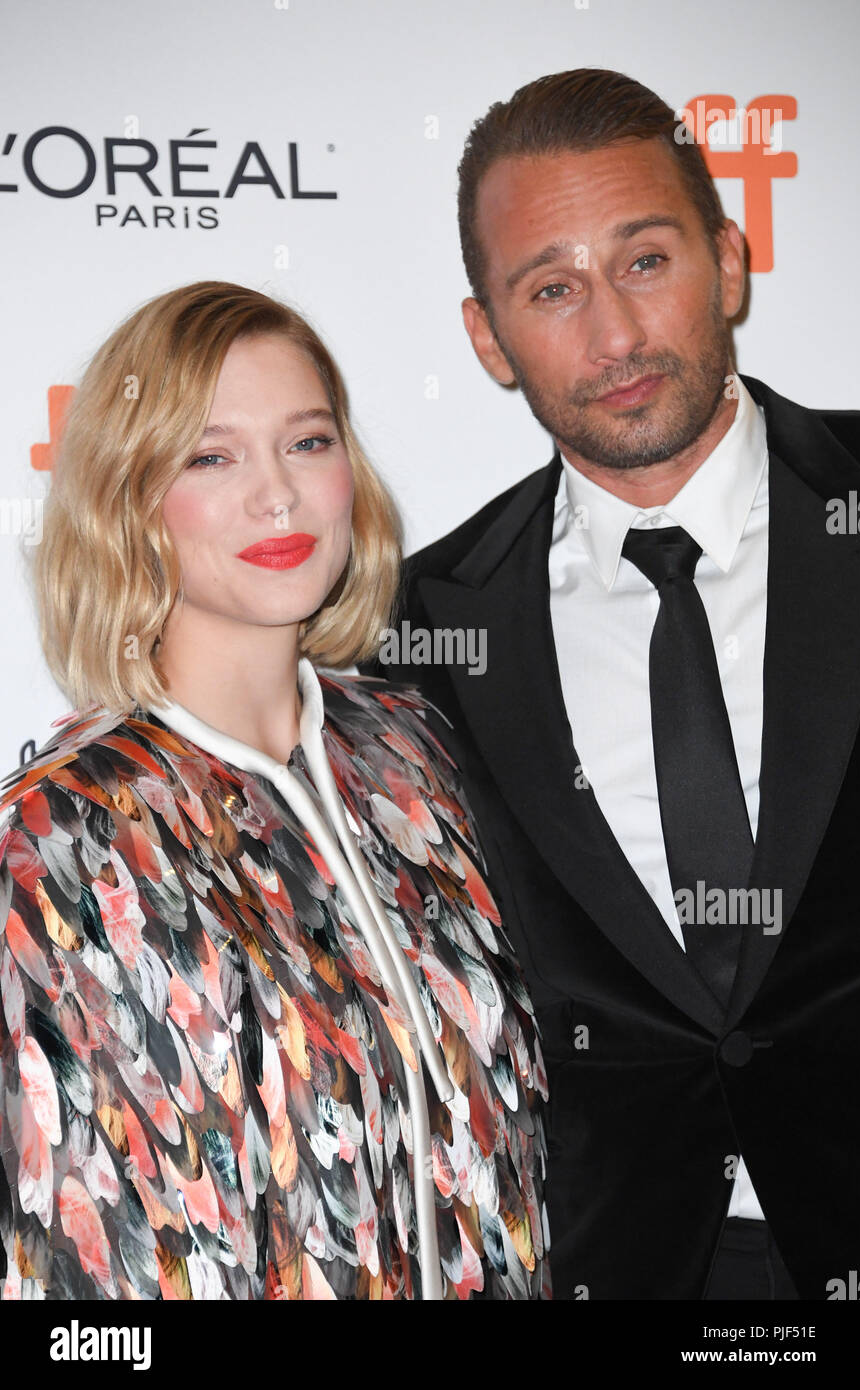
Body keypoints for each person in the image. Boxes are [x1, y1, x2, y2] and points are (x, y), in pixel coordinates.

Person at [364, 68, 860, 1300]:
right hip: (626, 1267)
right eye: (551, 288)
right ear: (488, 337)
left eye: (643, 261)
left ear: (729, 263)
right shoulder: (417, 629)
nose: (614, 335)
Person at [0, 281, 548, 1301]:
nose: (278, 495)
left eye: (307, 441)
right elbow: (82, 1263)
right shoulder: (62, 833)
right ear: (128, 497)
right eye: (212, 456)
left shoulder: (409, 752)